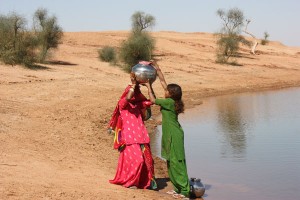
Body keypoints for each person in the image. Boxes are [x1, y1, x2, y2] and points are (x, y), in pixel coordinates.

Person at [144, 60, 190, 199]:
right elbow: (164, 82)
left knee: (177, 161)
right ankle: (177, 188)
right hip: (170, 133)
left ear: (171, 94)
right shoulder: (172, 100)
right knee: (170, 161)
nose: (165, 91)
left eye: (167, 91)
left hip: (174, 135)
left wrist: (148, 86)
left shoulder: (169, 102)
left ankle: (185, 191)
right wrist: (157, 69)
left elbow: (152, 100)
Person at [108, 72, 157, 190]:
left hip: (141, 136)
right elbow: (128, 98)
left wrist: (149, 86)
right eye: (134, 91)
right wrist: (133, 85)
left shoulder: (139, 105)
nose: (136, 94)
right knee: (138, 160)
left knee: (147, 161)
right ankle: (131, 182)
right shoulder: (123, 104)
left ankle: (143, 182)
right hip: (129, 138)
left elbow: (153, 101)